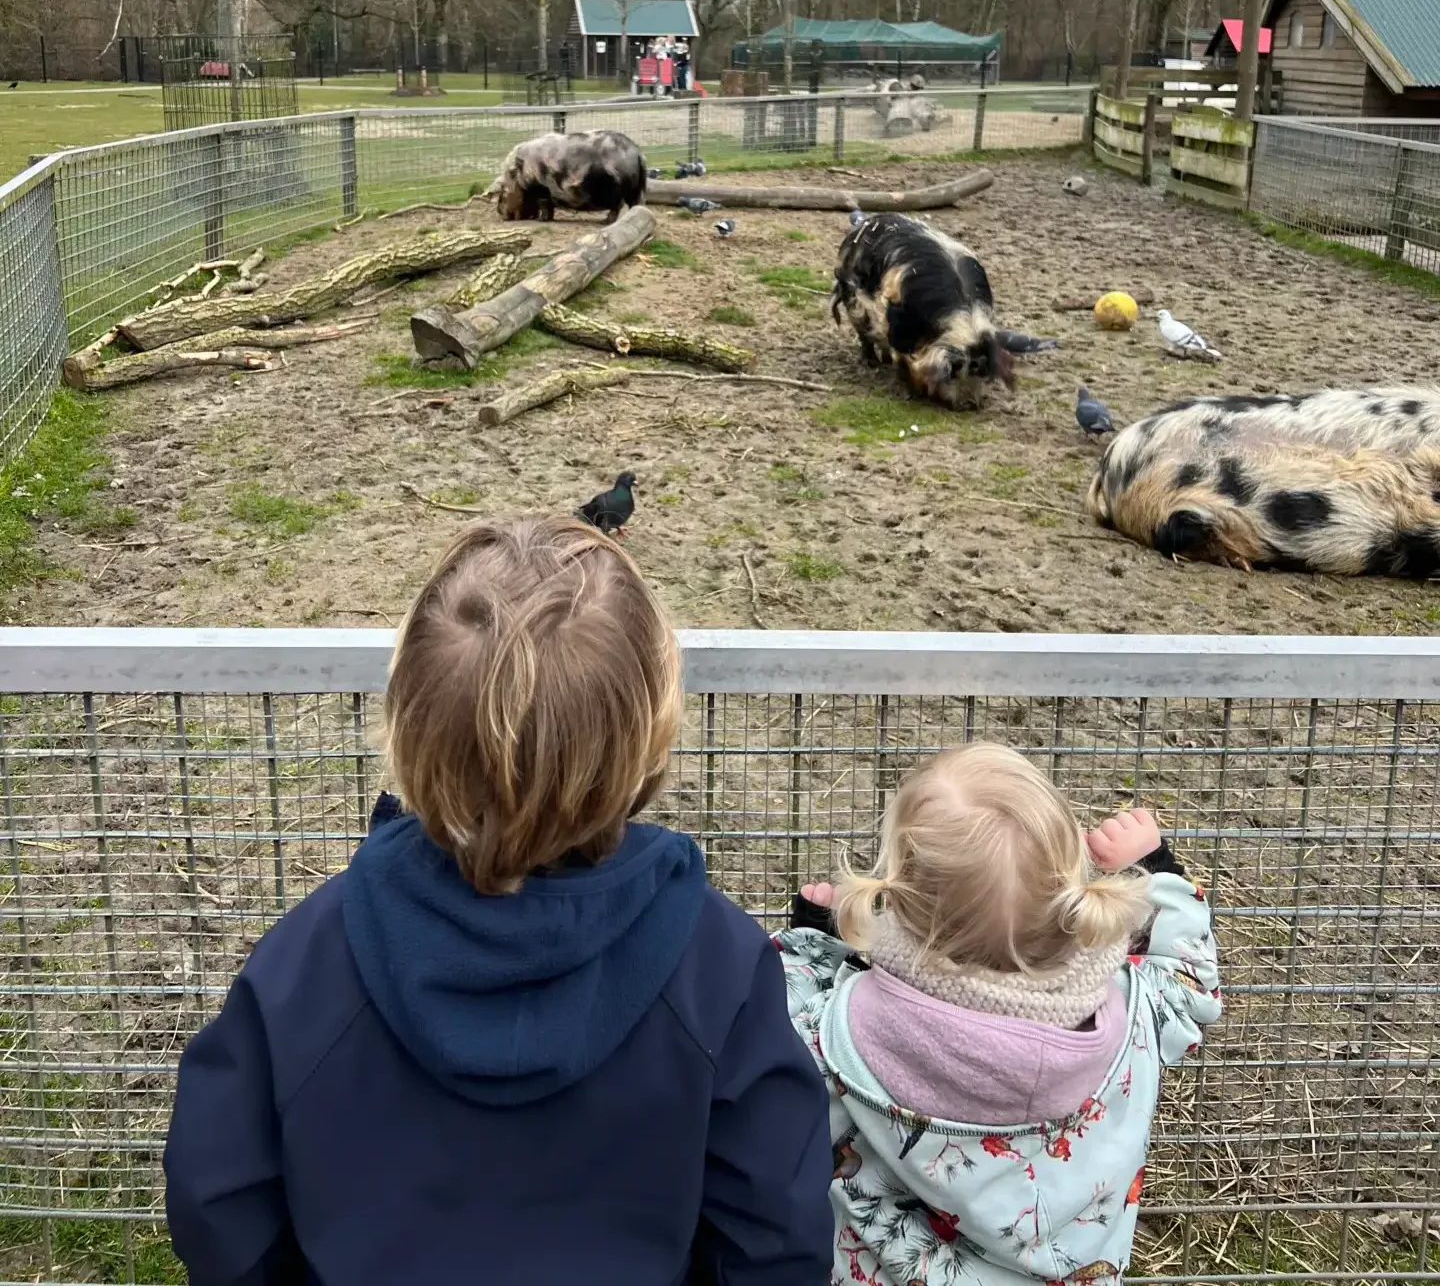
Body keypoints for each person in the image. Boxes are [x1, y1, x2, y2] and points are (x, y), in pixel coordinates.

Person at [164, 516, 833, 1286]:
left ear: (408, 725)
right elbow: (776, 1238)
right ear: (648, 737)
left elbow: (217, 1201)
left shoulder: (307, 959)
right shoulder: (721, 970)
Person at [774, 743, 1221, 1286]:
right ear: (1070, 894)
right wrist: (1155, 869)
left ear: (899, 900)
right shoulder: (1138, 1013)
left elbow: (780, 1030)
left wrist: (815, 939)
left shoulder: (832, 1034)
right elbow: (1188, 979)